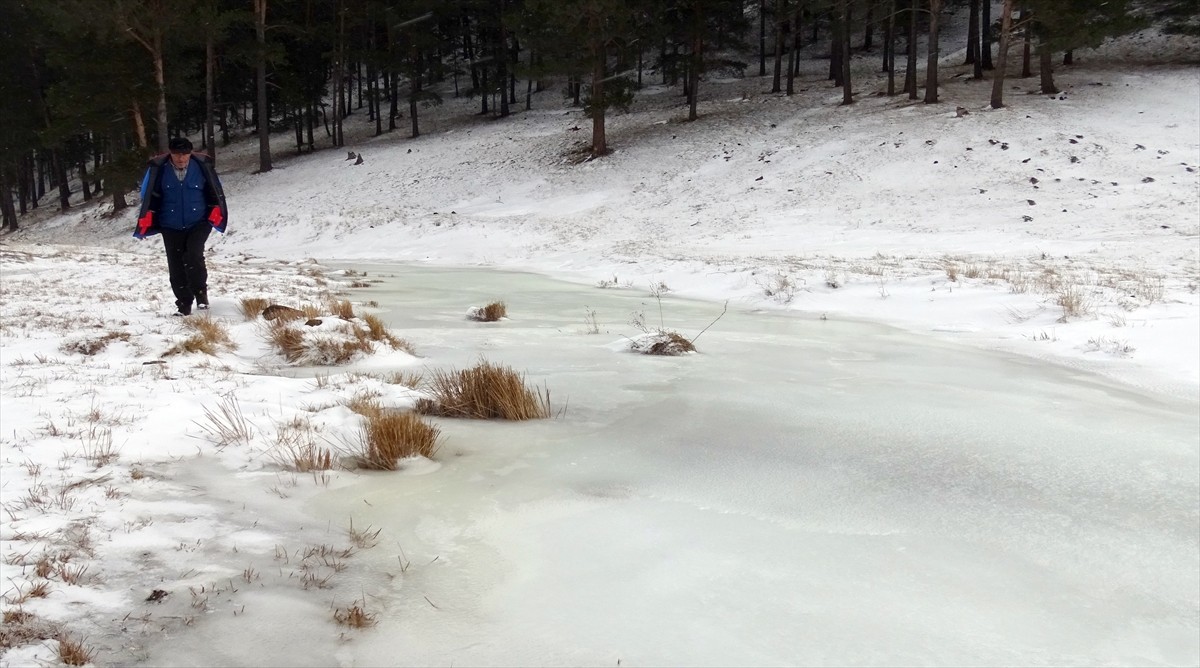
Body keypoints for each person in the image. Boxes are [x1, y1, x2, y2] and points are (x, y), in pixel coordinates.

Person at [133, 137, 229, 316]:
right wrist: (146, 220)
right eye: (177, 154)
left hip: (199, 221)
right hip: (170, 224)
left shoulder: (202, 167)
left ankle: (201, 294)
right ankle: (184, 303)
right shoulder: (158, 170)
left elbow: (216, 191)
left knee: (193, 255)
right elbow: (147, 195)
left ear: (190, 153)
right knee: (176, 264)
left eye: (185, 154)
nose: (181, 158)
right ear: (170, 153)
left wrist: (216, 212)